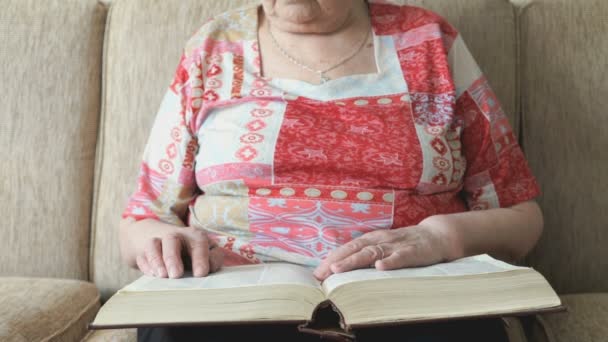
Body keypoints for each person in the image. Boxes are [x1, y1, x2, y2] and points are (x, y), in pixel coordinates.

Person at [120, 0, 543, 340]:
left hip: (412, 299)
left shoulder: (427, 41)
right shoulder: (212, 47)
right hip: (236, 303)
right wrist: (159, 242)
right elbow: (140, 221)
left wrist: (440, 235)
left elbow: (522, 217)